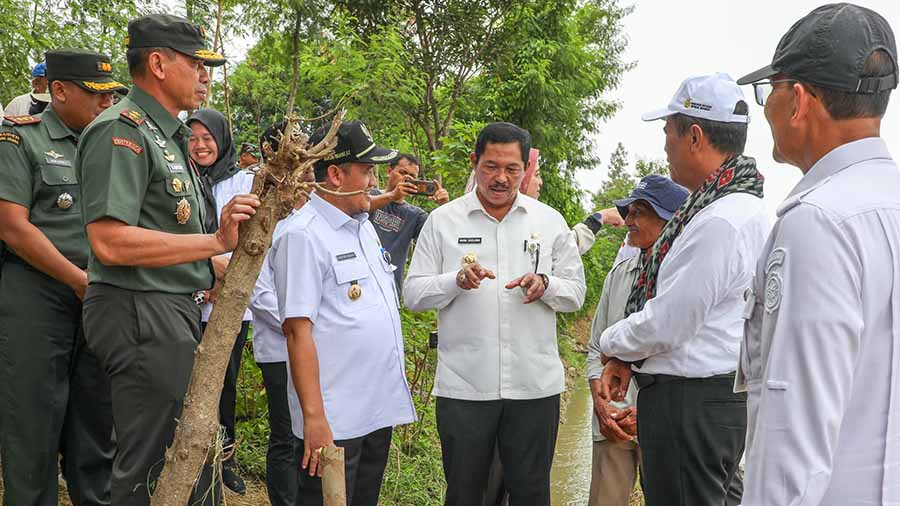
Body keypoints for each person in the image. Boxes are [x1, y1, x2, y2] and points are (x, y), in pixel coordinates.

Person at [75, 14, 259, 506]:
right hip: (138, 312)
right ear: (158, 63)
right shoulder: (122, 132)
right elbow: (110, 242)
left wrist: (210, 268)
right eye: (197, 63)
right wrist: (214, 244)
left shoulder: (169, 137)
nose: (206, 75)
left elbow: (166, 234)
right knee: (152, 462)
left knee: (190, 453)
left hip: (166, 307)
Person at [736, 4, 900, 505]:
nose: (766, 108)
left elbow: (792, 437)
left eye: (770, 91)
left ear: (799, 100)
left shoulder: (819, 221)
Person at [596, 73, 770, 506]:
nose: (665, 147)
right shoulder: (736, 209)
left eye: (667, 133)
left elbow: (670, 321)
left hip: (690, 405)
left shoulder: (717, 222)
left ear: (694, 136)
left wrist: (610, 342)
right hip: (713, 399)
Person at [403, 122, 586, 506]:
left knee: (532, 493)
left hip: (534, 388)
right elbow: (413, 293)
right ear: (474, 162)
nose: (500, 178)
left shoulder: (548, 222)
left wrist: (546, 285)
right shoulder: (444, 221)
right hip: (465, 388)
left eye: (511, 169)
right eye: (490, 166)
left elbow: (576, 293)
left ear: (525, 169)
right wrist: (455, 281)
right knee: (466, 494)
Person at [0, 48, 126, 506]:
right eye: (95, 95)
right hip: (37, 296)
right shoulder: (21, 139)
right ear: (58, 90)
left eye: (110, 95)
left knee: (95, 425)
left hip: (96, 297)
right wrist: (76, 277)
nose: (105, 103)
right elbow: (13, 226)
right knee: (32, 426)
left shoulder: (110, 145)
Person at [271, 120, 416, 506]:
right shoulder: (302, 234)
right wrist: (315, 420)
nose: (374, 180)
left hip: (374, 411)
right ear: (335, 174)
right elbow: (298, 333)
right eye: (367, 170)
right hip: (335, 423)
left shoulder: (363, 226)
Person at [586, 175, 688, 506]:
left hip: (668, 423)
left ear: (672, 221)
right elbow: (595, 347)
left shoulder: (688, 277)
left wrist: (645, 415)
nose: (628, 220)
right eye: (629, 211)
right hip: (613, 421)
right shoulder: (620, 273)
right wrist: (601, 404)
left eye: (640, 212)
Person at [186, 108, 256, 496]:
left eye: (207, 138)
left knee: (223, 383)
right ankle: (189, 458)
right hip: (186, 300)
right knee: (187, 382)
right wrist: (206, 263)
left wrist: (221, 276)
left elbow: (253, 239)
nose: (200, 146)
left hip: (229, 304)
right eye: (192, 138)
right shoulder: (180, 176)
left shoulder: (242, 181)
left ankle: (222, 460)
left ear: (222, 139)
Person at [245, 122, 304, 506]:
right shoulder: (263, 213)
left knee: (308, 430)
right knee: (285, 433)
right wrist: (297, 322)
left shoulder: (311, 214)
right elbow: (257, 289)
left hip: (314, 348)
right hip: (281, 347)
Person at [369, 153, 450, 289]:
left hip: (390, 287)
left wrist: (445, 207)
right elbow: (358, 208)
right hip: (361, 281)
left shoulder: (415, 215)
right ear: (389, 171)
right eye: (402, 173)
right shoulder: (370, 196)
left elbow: (443, 236)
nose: (407, 179)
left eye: (413, 177)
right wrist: (392, 195)